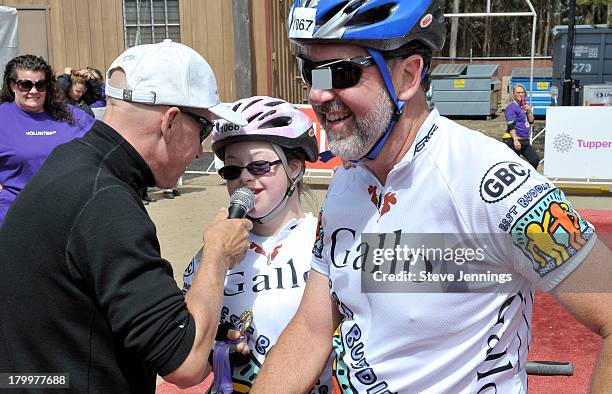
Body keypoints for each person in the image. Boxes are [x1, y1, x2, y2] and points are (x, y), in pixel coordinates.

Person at [252, 1, 611, 393]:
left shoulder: (494, 186)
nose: (318, 94)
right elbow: (311, 331)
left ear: (408, 76)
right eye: (309, 70)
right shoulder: (345, 185)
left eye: (341, 72)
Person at [0, 39, 252, 393]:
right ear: (171, 122)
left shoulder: (72, 161)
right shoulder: (106, 202)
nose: (199, 151)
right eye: (204, 130)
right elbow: (185, 363)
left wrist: (170, 313)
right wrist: (218, 253)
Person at [181, 96, 331, 393]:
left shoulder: (327, 240)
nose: (245, 179)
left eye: (260, 166)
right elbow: (188, 363)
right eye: (232, 170)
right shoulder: (211, 252)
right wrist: (216, 346)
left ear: (296, 168)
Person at [0, 54, 94, 227]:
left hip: (72, 211)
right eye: (25, 85)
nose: (34, 91)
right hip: (17, 213)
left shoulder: (74, 116)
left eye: (40, 85)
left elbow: (104, 149)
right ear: (13, 85)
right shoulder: (2, 119)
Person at [503, 83, 539, 169]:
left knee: (535, 160)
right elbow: (510, 125)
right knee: (515, 165)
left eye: (523, 92)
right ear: (513, 94)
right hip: (513, 139)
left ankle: (527, 178)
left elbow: (531, 121)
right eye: (518, 92)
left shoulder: (524, 107)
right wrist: (515, 140)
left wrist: (529, 111)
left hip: (524, 139)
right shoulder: (511, 108)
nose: (521, 94)